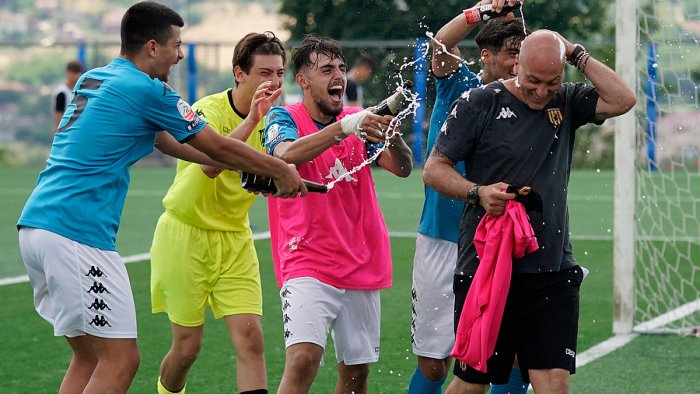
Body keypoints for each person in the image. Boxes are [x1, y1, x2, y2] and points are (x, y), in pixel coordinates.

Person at [16, 3, 306, 393]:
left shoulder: (95, 78)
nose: (180, 54)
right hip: (76, 233)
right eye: (176, 45)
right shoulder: (148, 90)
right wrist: (279, 169)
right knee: (122, 360)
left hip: (36, 227)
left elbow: (177, 145)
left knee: (89, 357)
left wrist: (242, 161)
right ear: (152, 47)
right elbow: (217, 147)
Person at [423, 30, 636, 393]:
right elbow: (434, 169)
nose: (541, 92)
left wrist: (574, 53)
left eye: (551, 83)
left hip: (552, 266)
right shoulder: (479, 102)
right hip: (487, 265)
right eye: (533, 81)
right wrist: (477, 192)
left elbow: (623, 99)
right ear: (516, 62)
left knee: (553, 379)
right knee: (473, 380)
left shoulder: (566, 102)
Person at [264, 34, 413, 393]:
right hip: (306, 258)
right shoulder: (285, 116)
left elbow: (402, 167)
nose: (339, 75)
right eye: (327, 68)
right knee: (302, 360)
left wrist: (390, 132)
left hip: (361, 259)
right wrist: (345, 127)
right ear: (302, 80)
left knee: (356, 373)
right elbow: (284, 156)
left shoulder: (355, 120)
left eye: (342, 68)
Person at [150, 31, 286, 394]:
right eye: (264, 73)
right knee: (187, 349)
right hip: (184, 235)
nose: (273, 82)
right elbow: (213, 164)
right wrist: (252, 121)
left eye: (279, 73)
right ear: (239, 73)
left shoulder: (277, 121)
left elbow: (283, 164)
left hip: (235, 239)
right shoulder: (207, 110)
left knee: (252, 339)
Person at [409, 3, 529, 392]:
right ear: (486, 56)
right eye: (511, 53)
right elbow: (441, 45)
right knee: (434, 363)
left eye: (520, 53)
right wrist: (483, 10)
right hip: (442, 239)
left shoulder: (531, 96)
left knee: (511, 353)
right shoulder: (461, 85)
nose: (517, 63)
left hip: (499, 242)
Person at [52, 60, 84, 132]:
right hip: (65, 130)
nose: (76, 76)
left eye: (77, 73)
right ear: (67, 73)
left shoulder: (77, 91)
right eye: (74, 72)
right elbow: (58, 115)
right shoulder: (62, 92)